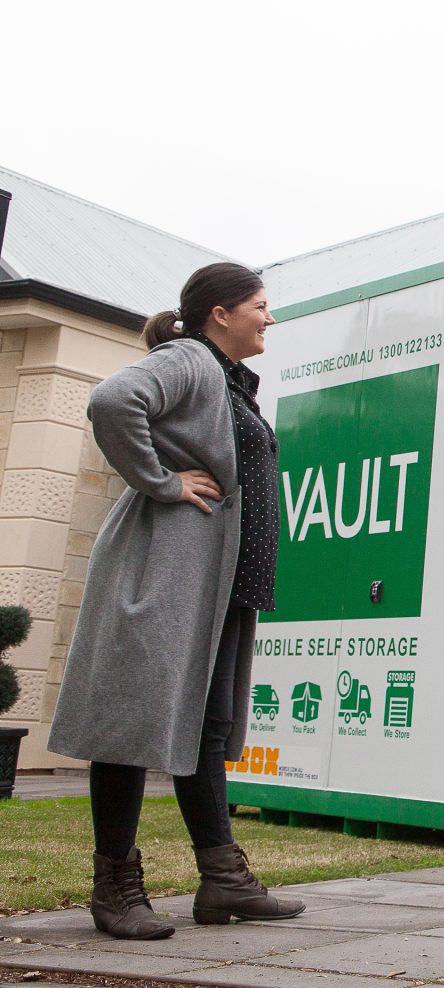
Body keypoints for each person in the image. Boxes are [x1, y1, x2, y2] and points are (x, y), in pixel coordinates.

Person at [48, 263, 306, 940]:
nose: (269, 317)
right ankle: (114, 888)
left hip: (215, 584)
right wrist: (160, 481)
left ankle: (223, 881)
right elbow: (111, 401)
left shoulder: (228, 381)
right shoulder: (189, 358)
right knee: (131, 726)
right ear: (219, 313)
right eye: (259, 304)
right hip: (166, 575)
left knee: (207, 732)